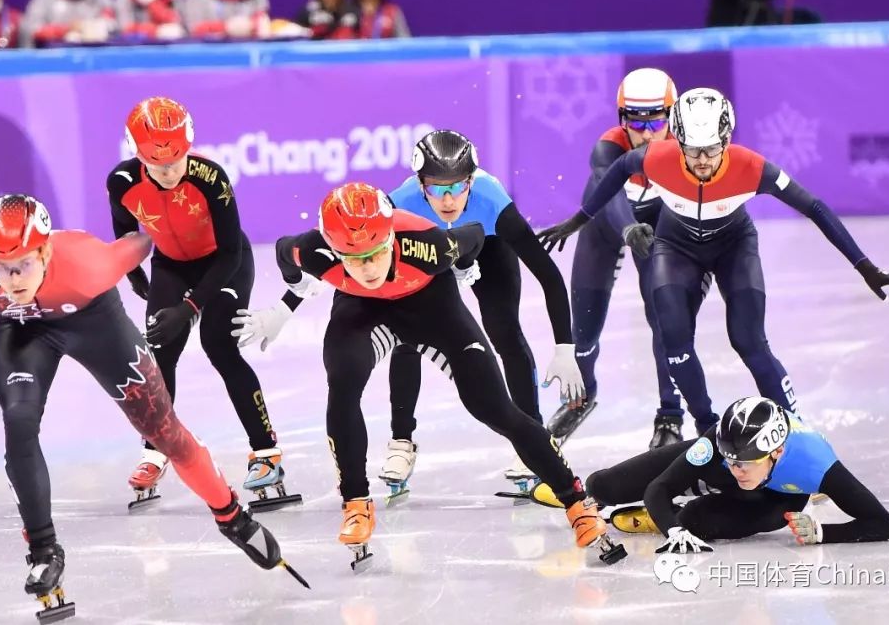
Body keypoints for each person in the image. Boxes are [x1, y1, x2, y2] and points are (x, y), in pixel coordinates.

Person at [232, 182, 626, 571]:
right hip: (361, 313)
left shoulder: (429, 244)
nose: (367, 268)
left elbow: (472, 236)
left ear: (390, 239)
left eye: (375, 253)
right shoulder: (313, 248)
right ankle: (355, 503)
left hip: (432, 307)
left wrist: (467, 265)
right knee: (343, 384)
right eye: (354, 258)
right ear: (334, 250)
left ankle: (577, 503)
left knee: (495, 409)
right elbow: (287, 253)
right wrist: (289, 300)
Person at [0, 195, 306, 619]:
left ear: (45, 249)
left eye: (23, 264)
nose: (12, 279)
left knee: (164, 431)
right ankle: (44, 550)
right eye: (1, 268)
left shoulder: (90, 264)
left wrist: (156, 252)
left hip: (94, 320)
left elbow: (139, 242)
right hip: (25, 331)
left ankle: (232, 517)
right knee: (19, 420)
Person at [538, 88, 889, 432]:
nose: (701, 161)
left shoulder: (753, 167)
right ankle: (707, 430)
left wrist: (865, 266)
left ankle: (798, 434)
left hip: (733, 248)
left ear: (727, 141)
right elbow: (614, 171)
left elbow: (814, 207)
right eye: (693, 150)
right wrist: (578, 220)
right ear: (678, 142)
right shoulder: (657, 157)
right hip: (677, 249)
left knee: (749, 341)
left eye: (712, 150)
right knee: (674, 342)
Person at [107, 97, 298, 512]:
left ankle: (267, 455)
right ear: (138, 157)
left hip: (224, 264)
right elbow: (125, 232)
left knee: (220, 346)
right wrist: (134, 273)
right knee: (158, 355)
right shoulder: (122, 182)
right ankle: (155, 451)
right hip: (172, 266)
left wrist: (189, 308)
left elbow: (230, 252)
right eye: (159, 167)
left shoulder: (210, 178)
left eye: (177, 161)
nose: (171, 173)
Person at [383, 130, 584, 496]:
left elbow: (549, 276)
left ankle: (532, 441)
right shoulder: (400, 204)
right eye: (436, 188)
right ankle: (401, 442)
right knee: (406, 336)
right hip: (429, 248)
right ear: (419, 183)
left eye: (458, 187)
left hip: (488, 249)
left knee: (504, 330)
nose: (448, 199)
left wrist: (564, 347)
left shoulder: (492, 201)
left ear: (472, 181)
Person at [568, 68, 711, 451]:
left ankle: (670, 415)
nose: (646, 134)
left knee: (667, 320)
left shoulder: (692, 150)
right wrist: (630, 229)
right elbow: (610, 193)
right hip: (609, 223)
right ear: (621, 120)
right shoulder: (607, 149)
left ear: (674, 119)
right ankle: (582, 393)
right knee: (582, 334)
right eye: (635, 122)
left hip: (663, 228)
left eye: (656, 122)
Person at [583, 396, 889, 551]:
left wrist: (824, 534)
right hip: (715, 466)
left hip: (775, 498)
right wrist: (674, 534)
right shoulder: (721, 442)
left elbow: (884, 525)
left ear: (777, 452)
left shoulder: (815, 463)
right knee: (605, 485)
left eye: (744, 463)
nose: (737, 470)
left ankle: (670, 516)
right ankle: (672, 511)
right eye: (731, 460)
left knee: (696, 522)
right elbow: (660, 485)